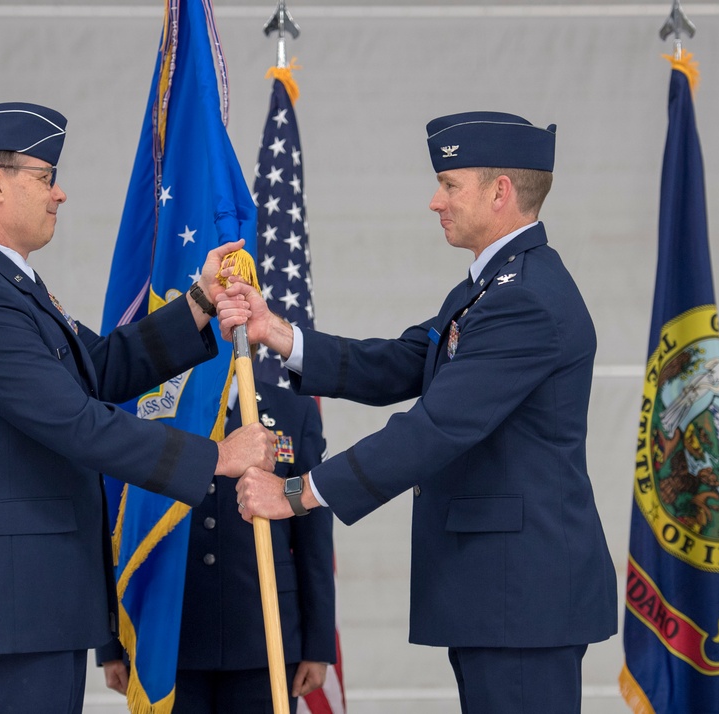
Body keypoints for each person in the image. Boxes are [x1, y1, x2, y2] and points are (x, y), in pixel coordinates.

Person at [219, 111, 618, 714]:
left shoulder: (525, 300)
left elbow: (438, 426)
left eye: (450, 184)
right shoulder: (491, 288)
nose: (436, 201)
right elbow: (403, 363)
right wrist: (278, 333)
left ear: (500, 191)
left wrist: (300, 493)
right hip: (502, 594)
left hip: (520, 598)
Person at [0, 102, 276, 714]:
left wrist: (199, 304)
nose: (59, 195)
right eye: (44, 177)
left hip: (28, 604)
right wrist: (216, 456)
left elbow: (98, 368)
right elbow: (76, 423)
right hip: (8, 607)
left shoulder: (4, 286)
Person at [97, 378, 336, 713]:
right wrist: (111, 645)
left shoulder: (293, 409)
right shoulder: (151, 409)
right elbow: (114, 523)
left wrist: (318, 645)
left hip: (263, 637)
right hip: (169, 637)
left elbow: (314, 538)